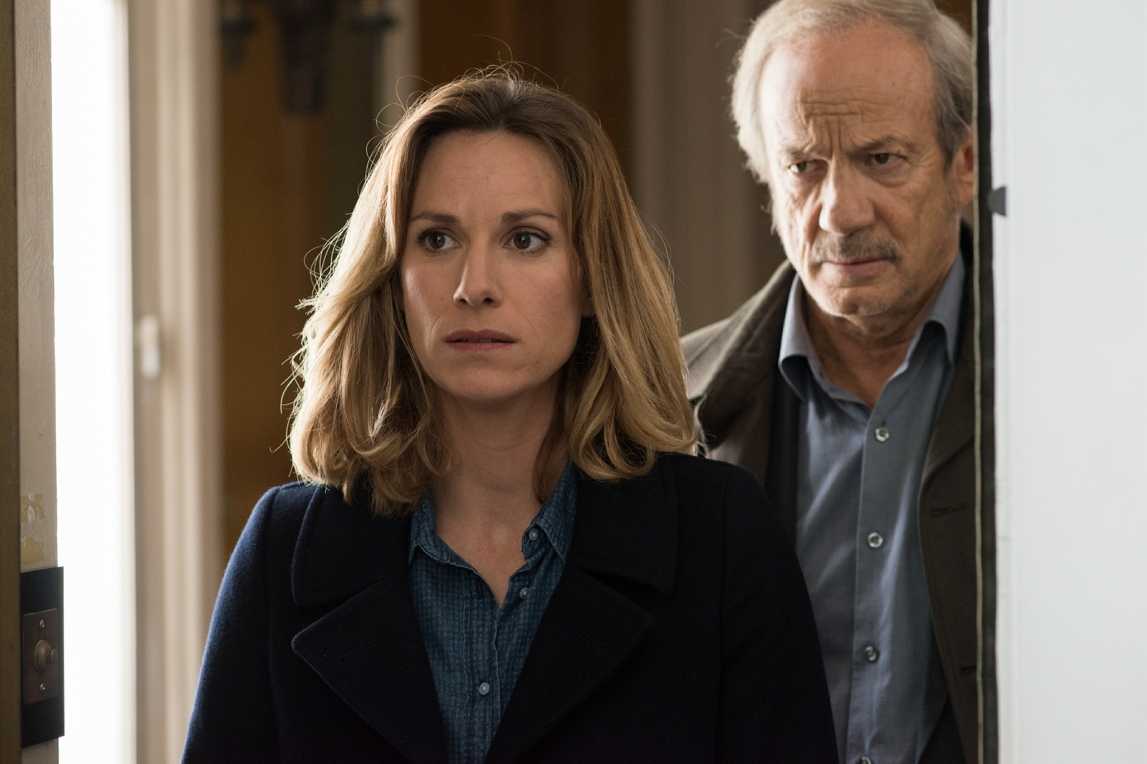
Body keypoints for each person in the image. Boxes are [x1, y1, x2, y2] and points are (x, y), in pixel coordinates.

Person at [184, 71, 835, 763]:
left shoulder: (722, 536)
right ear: (393, 280)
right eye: (437, 239)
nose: (475, 287)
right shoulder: (288, 546)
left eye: (525, 239)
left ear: (593, 277)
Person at [683, 1, 978, 762]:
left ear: (964, 164)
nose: (840, 213)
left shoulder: (1068, 389)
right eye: (803, 166)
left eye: (881, 159)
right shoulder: (659, 404)